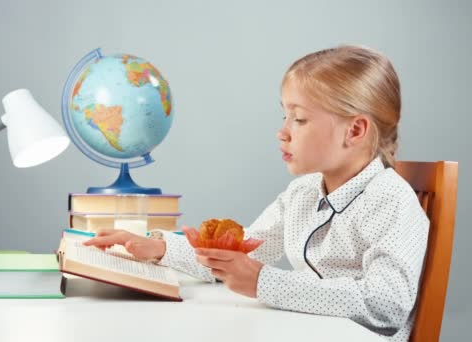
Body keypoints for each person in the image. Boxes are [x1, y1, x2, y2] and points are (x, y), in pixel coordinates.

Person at [84, 45, 429, 341]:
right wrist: (159, 248)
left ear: (354, 130)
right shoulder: (303, 193)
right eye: (284, 116)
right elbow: (245, 248)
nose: (282, 132)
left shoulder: (391, 200)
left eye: (300, 119)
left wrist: (265, 282)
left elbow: (388, 304)